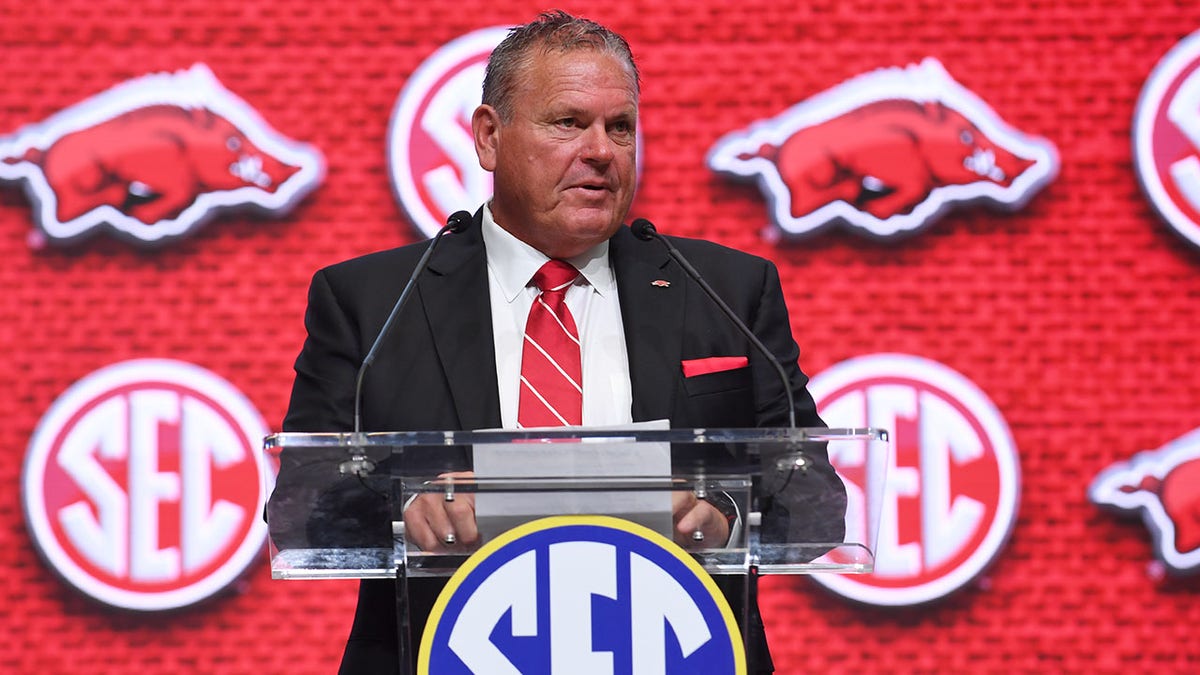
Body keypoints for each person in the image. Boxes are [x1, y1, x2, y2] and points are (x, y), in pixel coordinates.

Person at [272, 10, 840, 674]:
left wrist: (723, 511)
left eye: (620, 127)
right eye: (568, 122)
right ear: (488, 137)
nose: (601, 150)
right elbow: (303, 505)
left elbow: (816, 499)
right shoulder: (373, 301)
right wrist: (405, 508)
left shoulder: (726, 290)